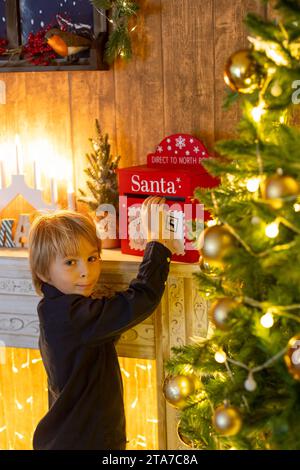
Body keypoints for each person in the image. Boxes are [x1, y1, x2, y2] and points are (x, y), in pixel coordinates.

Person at [28, 196, 175, 450]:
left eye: (93, 258)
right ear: (42, 272)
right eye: (70, 262)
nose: (86, 271)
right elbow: (141, 299)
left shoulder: (57, 308)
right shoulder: (73, 317)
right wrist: (157, 244)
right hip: (85, 442)